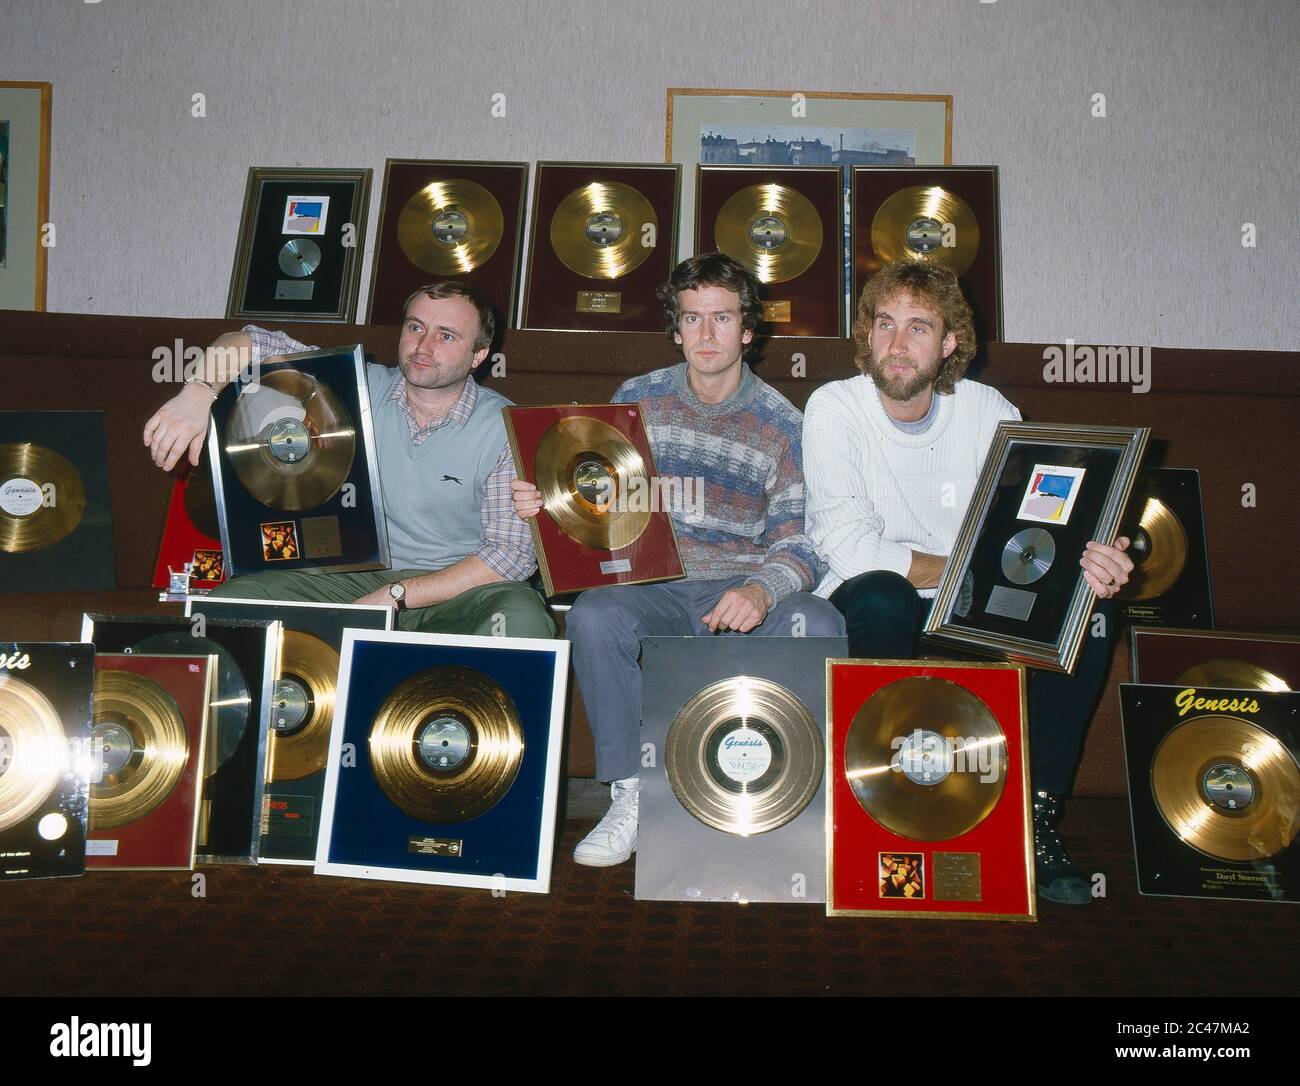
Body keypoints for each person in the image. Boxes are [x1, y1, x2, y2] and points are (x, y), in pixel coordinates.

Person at [802, 260, 1133, 906]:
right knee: (882, 590)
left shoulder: (987, 411)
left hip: (974, 603)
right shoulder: (833, 407)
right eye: (885, 325)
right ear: (867, 334)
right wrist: (968, 574)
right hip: (872, 599)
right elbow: (849, 544)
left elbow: (1042, 521)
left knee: (1087, 612)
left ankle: (1035, 815)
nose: (897, 345)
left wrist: (1095, 555)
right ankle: (887, 801)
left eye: (919, 329)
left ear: (950, 343)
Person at [512, 253, 845, 867]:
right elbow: (601, 511)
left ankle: (796, 798)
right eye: (693, 319)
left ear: (749, 330)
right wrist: (548, 505)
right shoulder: (637, 399)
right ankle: (630, 793)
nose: (707, 334)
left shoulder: (782, 423)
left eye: (722, 318)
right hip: (654, 588)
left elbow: (803, 544)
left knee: (820, 622)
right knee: (594, 614)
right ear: (676, 329)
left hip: (741, 588)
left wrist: (763, 592)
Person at [143, 281, 554, 638]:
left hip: (457, 590)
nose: (423, 347)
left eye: (447, 336)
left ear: (479, 355)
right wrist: (198, 393)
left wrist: (398, 596)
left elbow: (509, 556)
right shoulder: (353, 384)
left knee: (520, 616)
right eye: (416, 327)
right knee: (231, 603)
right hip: (349, 577)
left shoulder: (505, 428)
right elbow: (251, 341)